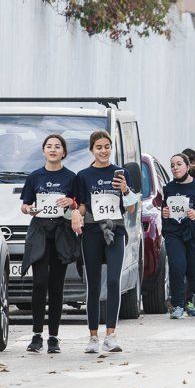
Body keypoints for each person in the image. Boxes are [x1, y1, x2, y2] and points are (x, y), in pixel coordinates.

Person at [70, 131, 139, 354]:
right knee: (93, 284)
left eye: (107, 146)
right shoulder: (83, 175)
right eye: (99, 147)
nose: (103, 150)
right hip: (91, 231)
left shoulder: (121, 173)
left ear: (112, 148)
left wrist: (125, 190)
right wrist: (76, 215)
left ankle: (111, 334)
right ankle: (92, 337)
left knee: (113, 282)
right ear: (92, 150)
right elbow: (81, 204)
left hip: (115, 230)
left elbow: (130, 208)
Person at [19, 134, 80, 354]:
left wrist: (71, 203)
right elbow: (25, 205)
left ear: (64, 152)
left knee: (56, 286)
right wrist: (29, 209)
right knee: (39, 283)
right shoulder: (35, 177)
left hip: (62, 235)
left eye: (57, 147)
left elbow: (79, 206)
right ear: (43, 151)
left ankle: (53, 337)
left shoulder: (71, 177)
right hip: (40, 234)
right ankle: (36, 335)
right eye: (49, 146)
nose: (53, 150)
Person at [162, 153, 195, 319]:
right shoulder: (168, 188)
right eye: (172, 165)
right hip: (174, 232)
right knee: (177, 267)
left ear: (187, 166)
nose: (175, 168)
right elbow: (165, 208)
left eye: (179, 164)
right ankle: (178, 305)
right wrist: (164, 212)